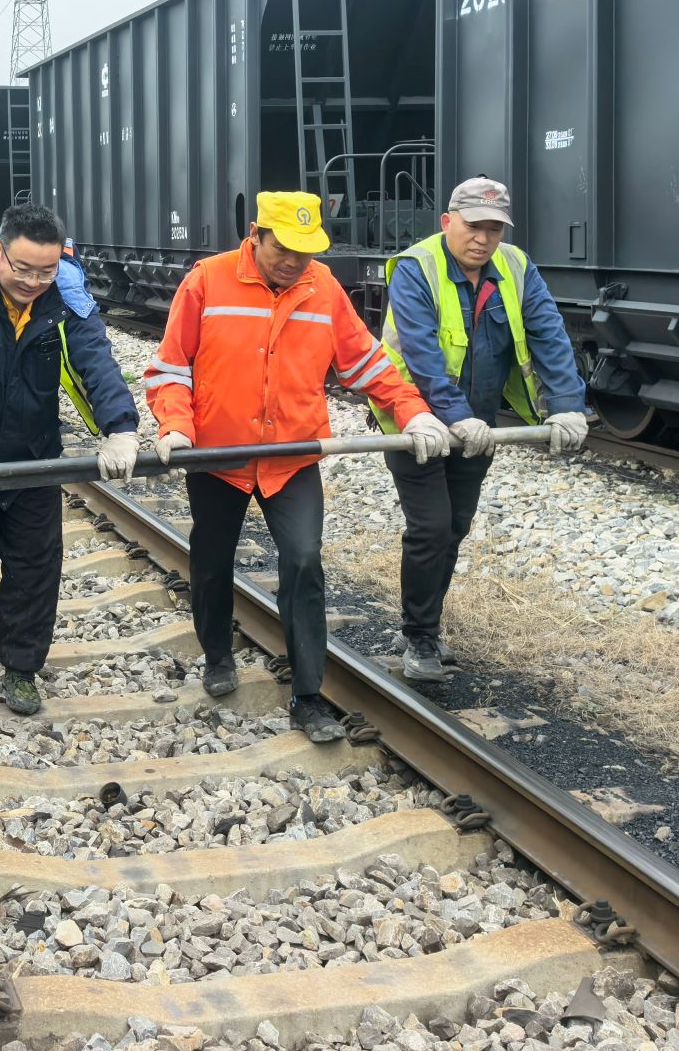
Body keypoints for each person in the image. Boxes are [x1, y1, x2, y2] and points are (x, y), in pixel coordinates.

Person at [146, 192, 451, 741]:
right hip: (218, 455)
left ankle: (309, 696)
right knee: (212, 559)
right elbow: (170, 366)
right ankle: (217, 655)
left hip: (291, 455)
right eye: (282, 249)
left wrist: (413, 412)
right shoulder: (207, 281)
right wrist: (175, 424)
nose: (293, 262)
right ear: (255, 235)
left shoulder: (324, 287)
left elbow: (366, 362)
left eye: (304, 252)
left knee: (305, 561)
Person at [0, 202, 140, 715]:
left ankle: (20, 668)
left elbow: (96, 359)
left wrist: (121, 428)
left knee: (36, 567)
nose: (34, 282)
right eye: (24, 268)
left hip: (34, 457)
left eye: (46, 271)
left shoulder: (67, 293)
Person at [376, 177, 589, 683]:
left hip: (480, 423)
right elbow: (423, 354)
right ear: (447, 222)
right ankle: (420, 636)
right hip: (415, 419)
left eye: (494, 229)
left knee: (455, 526)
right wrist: (453, 415)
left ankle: (423, 626)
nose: (483, 238)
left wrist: (567, 405)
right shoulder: (417, 267)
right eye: (473, 226)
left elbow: (548, 333)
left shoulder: (516, 266)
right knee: (430, 527)